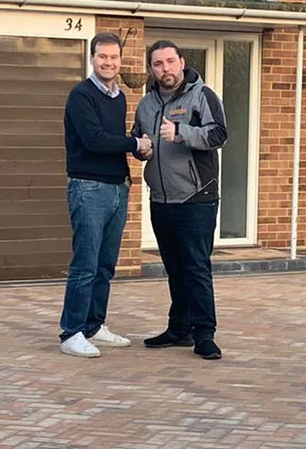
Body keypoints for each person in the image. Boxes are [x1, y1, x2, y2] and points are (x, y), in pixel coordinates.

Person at [134, 39, 227, 360]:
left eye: (170, 62)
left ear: (182, 62)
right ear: (151, 69)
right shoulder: (146, 104)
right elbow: (139, 138)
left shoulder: (202, 96)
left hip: (196, 197)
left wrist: (182, 132)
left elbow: (219, 134)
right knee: (174, 268)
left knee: (196, 268)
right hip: (161, 199)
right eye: (158, 64)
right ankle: (180, 328)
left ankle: (205, 334)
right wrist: (140, 147)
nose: (166, 69)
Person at [59, 33, 151, 357]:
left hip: (116, 189)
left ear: (121, 60)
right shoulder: (81, 96)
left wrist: (138, 149)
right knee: (85, 264)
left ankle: (94, 327)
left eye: (114, 57)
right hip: (88, 188)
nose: (108, 62)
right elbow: (95, 140)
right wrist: (133, 144)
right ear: (92, 58)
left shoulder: (119, 96)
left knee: (105, 265)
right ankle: (71, 332)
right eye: (102, 57)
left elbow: (114, 140)